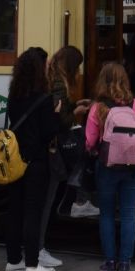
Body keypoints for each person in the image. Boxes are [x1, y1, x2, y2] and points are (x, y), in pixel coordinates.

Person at [84, 61, 135, 271]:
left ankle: (109, 262)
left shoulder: (98, 107)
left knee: (106, 214)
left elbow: (89, 141)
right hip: (133, 166)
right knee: (128, 213)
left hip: (107, 167)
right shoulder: (134, 105)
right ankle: (125, 264)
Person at [4, 48, 60, 271]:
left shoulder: (14, 96)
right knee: (33, 212)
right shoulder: (45, 99)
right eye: (46, 65)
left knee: (14, 211)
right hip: (36, 162)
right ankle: (32, 265)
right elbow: (48, 133)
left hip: (15, 160)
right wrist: (56, 114)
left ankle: (13, 260)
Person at [48, 46, 94, 222]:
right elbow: (59, 118)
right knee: (85, 147)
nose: (79, 70)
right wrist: (76, 112)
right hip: (60, 137)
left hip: (57, 136)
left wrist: (75, 105)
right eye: (78, 66)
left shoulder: (55, 77)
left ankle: (77, 199)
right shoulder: (59, 83)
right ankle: (79, 201)